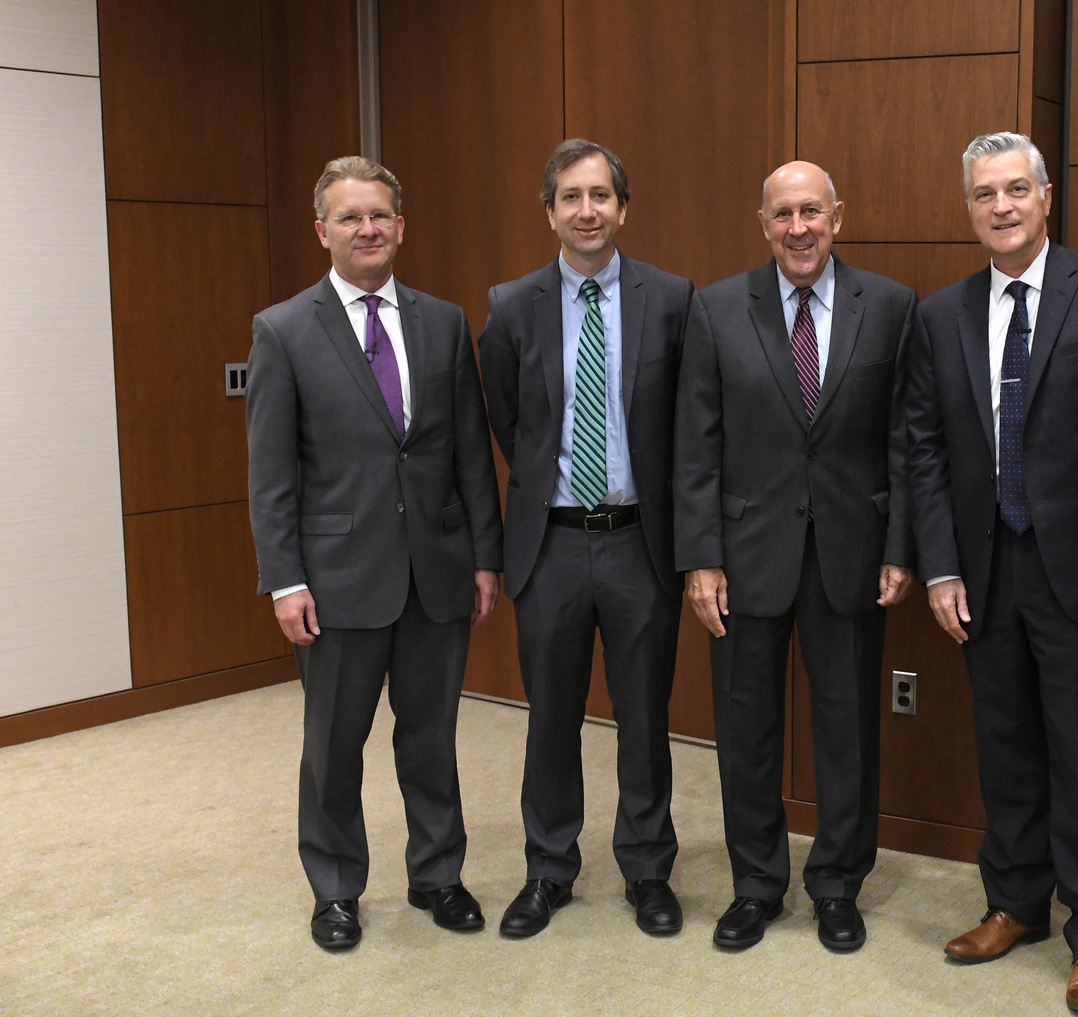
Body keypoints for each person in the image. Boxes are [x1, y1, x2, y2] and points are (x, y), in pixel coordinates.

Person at [904, 132, 1078, 1012]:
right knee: (1004, 743)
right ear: (968, 208)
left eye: (1016, 189)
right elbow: (925, 451)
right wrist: (939, 566)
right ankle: (1014, 902)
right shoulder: (941, 314)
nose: (1001, 206)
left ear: (1047, 197)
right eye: (985, 194)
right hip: (983, 565)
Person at [246, 156, 503, 950]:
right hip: (336, 580)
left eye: (379, 215)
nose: (367, 229)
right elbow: (271, 472)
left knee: (431, 737)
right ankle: (335, 889)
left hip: (436, 572)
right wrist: (284, 580)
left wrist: (484, 557)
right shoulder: (283, 329)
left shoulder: (442, 322)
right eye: (350, 217)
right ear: (322, 231)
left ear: (401, 227)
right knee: (333, 746)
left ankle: (438, 874)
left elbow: (469, 451)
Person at [674, 161, 917, 952]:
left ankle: (838, 884)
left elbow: (904, 440)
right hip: (745, 554)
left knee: (848, 727)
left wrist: (900, 544)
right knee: (746, 728)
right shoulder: (715, 308)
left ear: (837, 216)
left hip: (853, 551)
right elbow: (695, 444)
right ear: (763, 223)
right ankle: (756, 884)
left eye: (812, 211)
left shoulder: (890, 305)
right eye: (783, 214)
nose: (798, 227)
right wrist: (701, 557)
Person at [478, 140, 693, 939]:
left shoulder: (671, 299)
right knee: (551, 716)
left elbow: (687, 424)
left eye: (601, 195)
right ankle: (548, 867)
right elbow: (510, 421)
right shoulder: (511, 305)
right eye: (570, 196)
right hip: (553, 544)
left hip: (641, 542)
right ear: (550, 212)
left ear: (623, 208)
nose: (587, 210)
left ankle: (648, 868)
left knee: (644, 715)